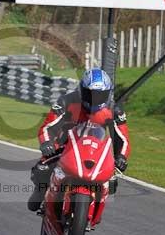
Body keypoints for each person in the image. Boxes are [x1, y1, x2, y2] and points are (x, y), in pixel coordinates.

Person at [26, 67, 131, 212]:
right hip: (64, 146)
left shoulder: (115, 110)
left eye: (99, 95)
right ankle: (40, 192)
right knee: (42, 170)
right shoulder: (66, 101)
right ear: (82, 89)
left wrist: (121, 157)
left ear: (108, 94)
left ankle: (95, 207)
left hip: (95, 150)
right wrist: (46, 143)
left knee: (112, 182)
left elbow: (123, 138)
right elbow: (48, 126)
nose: (94, 98)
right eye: (90, 94)